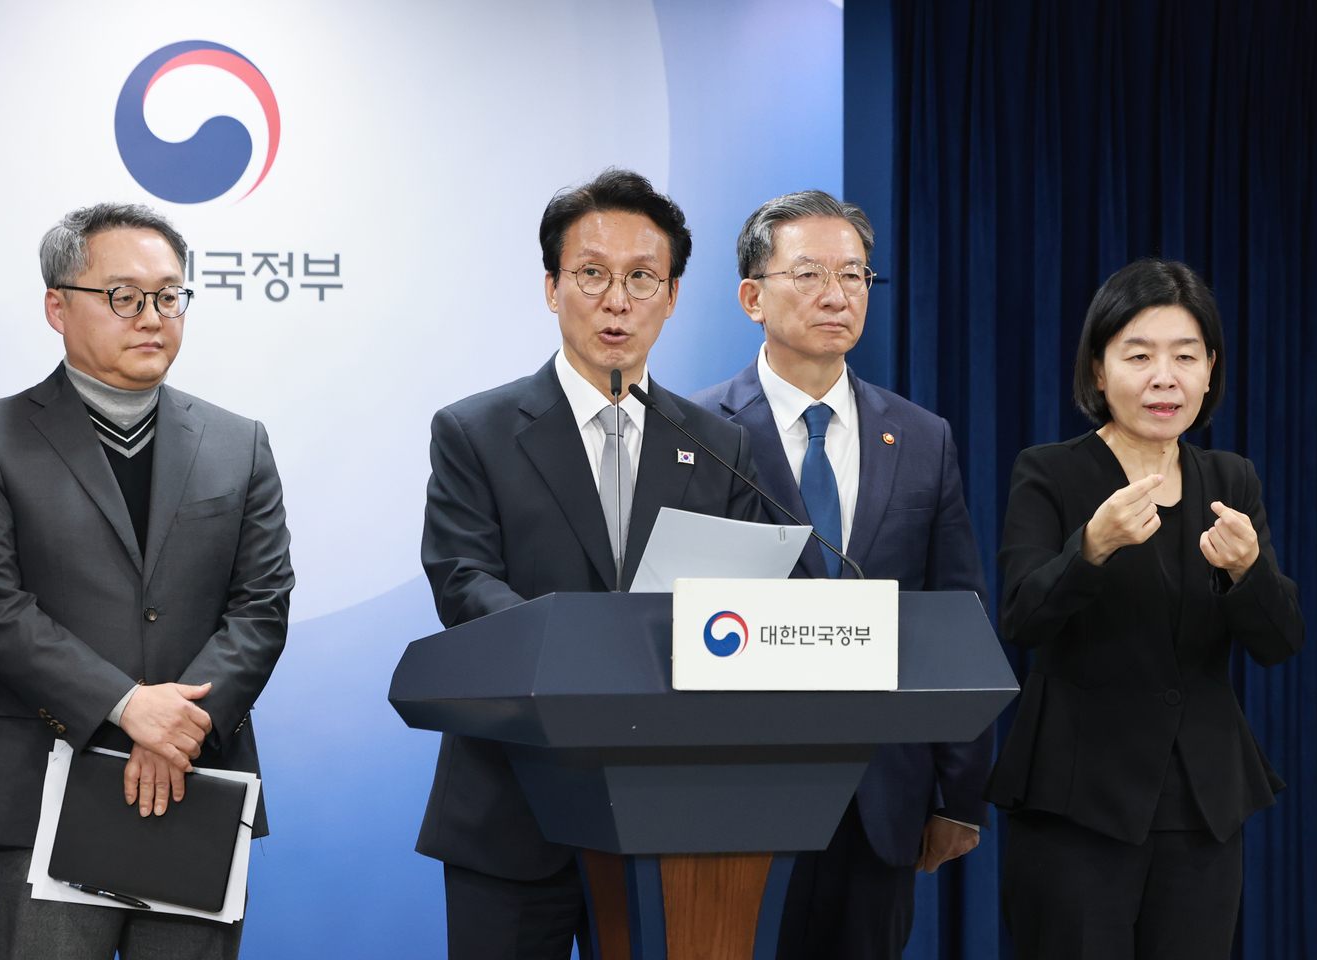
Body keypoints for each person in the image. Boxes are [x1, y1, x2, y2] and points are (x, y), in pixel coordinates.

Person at [417, 168, 763, 959]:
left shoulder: (720, 447)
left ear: (672, 297)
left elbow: (741, 601)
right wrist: (585, 658)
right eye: (592, 274)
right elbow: (463, 582)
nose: (617, 302)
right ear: (552, 287)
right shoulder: (475, 431)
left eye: (642, 278)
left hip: (666, 811)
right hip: (512, 807)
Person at [0, 203, 294, 960]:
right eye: (124, 296)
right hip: (48, 790)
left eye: (169, 296)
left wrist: (180, 727)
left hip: (198, 783)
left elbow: (262, 606)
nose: (152, 317)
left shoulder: (239, 442)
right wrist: (129, 708)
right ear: (57, 307)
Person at [690, 190, 992, 960]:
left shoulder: (922, 438)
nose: (837, 295)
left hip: (881, 798)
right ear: (753, 297)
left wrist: (960, 794)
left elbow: (956, 616)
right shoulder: (693, 434)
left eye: (854, 275)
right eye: (810, 274)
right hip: (736, 796)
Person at [987, 259, 1304, 959]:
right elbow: (1020, 619)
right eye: (1139, 356)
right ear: (1098, 371)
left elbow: (1280, 642)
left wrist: (1248, 571)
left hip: (1202, 804)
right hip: (1078, 801)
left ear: (1210, 371)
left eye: (1186, 357)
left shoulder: (1231, 479)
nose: (1165, 378)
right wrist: (1090, 549)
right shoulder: (1050, 471)